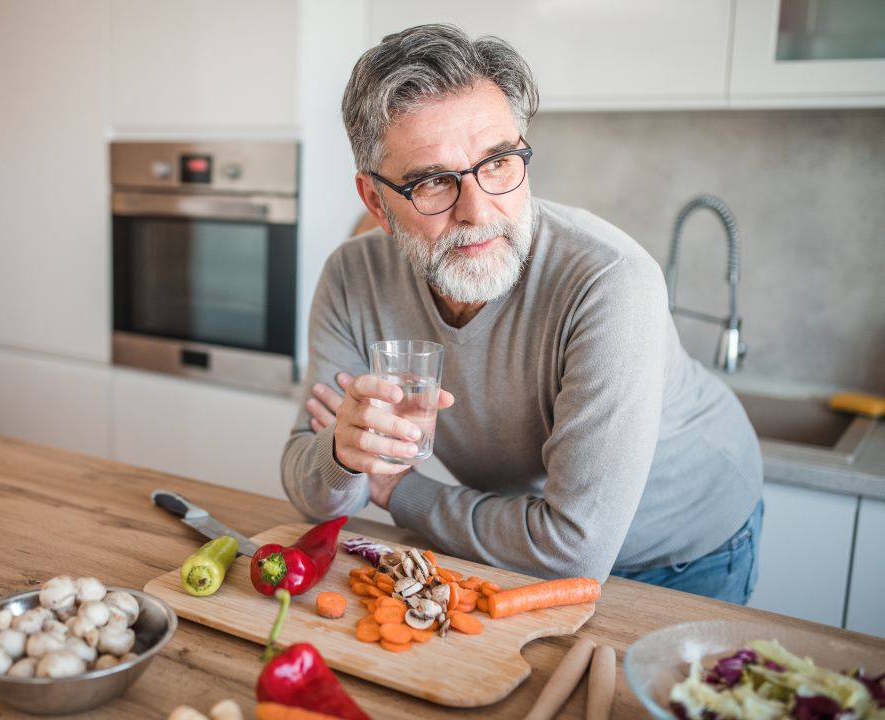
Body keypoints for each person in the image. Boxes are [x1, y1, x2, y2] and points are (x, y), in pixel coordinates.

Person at [281, 24, 764, 603]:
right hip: (514, 546)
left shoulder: (610, 282)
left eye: (500, 162)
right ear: (376, 202)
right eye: (434, 182)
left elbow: (574, 551)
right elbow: (315, 491)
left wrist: (398, 490)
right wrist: (342, 454)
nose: (479, 211)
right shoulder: (352, 276)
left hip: (681, 552)